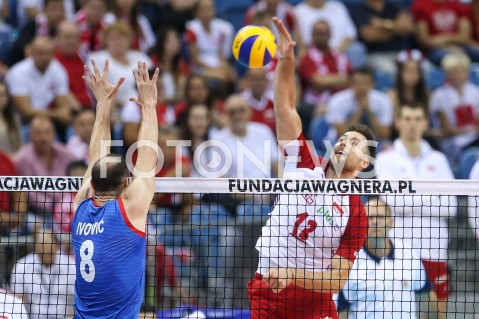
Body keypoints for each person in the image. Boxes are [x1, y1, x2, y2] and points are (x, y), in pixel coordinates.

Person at [247, 17, 373, 319]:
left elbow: (337, 280)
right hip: (269, 294)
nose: (344, 143)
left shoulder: (356, 213)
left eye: (355, 143)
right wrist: (286, 60)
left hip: (315, 304)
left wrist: (292, 274)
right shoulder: (304, 163)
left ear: (365, 163)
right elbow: (285, 109)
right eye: (343, 138)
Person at [71, 60, 159, 317]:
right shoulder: (130, 208)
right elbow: (148, 154)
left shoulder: (81, 204)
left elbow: (96, 154)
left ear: (93, 183)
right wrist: (150, 104)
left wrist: (103, 104)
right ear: (125, 183)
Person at [375, 103, 457, 317]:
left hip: (434, 247)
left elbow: (451, 206)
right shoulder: (386, 158)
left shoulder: (438, 159)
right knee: (397, 309)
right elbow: (393, 202)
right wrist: (431, 196)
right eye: (408, 118)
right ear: (398, 122)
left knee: (438, 311)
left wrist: (411, 198)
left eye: (417, 118)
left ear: (425, 123)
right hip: (400, 249)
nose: (413, 124)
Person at [337, 198, 432, 319]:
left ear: (391, 222)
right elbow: (341, 310)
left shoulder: (409, 253)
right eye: (370, 218)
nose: (375, 222)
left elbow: (426, 295)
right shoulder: (349, 260)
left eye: (381, 217)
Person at [10, 227, 76, 319]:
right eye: (42, 254)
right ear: (35, 248)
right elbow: (16, 302)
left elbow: (80, 301)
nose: (46, 258)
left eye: (50, 254)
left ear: (56, 246)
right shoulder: (22, 267)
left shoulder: (72, 267)